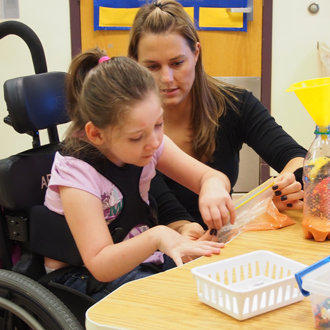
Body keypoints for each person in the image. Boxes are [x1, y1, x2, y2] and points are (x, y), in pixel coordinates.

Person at [43, 48, 235, 300]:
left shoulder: (146, 141)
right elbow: (100, 264)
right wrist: (160, 235)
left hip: (138, 261)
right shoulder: (76, 171)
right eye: (136, 137)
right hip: (79, 278)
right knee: (185, 302)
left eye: (159, 124)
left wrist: (212, 188)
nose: (155, 142)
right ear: (97, 134)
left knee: (216, 280)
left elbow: (210, 177)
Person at [128, 0, 307, 234]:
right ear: (134, 64)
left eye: (177, 63)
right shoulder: (126, 125)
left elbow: (298, 158)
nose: (167, 78)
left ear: (196, 53)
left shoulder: (235, 104)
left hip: (218, 238)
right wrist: (188, 232)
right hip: (154, 248)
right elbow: (168, 212)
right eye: (152, 66)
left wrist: (285, 185)